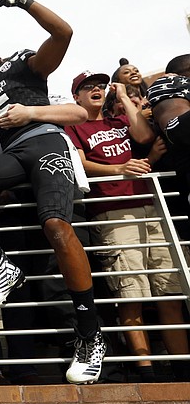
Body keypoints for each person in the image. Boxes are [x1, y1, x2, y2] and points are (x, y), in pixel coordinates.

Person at [0, 0, 106, 384]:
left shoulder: (22, 67)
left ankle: (90, 334)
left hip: (45, 141)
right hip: (13, 156)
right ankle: (0, 265)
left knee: (56, 228)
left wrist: (24, 2)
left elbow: (64, 35)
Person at [67, 73, 190, 382]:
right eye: (86, 87)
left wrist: (122, 96)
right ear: (76, 97)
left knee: (170, 293)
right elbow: (79, 162)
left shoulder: (120, 121)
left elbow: (146, 136)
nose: (95, 89)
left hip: (151, 207)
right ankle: (145, 370)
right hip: (113, 213)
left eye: (99, 85)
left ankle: (183, 368)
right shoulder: (72, 127)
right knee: (131, 292)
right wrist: (118, 168)